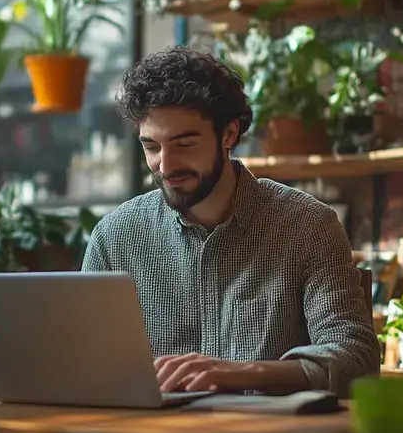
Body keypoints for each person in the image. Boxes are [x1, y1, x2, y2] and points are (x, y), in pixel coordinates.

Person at [82, 46, 381, 396]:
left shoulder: (306, 225)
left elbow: (357, 360)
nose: (165, 166)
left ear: (229, 134)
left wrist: (244, 373)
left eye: (184, 144)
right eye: (152, 147)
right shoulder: (116, 237)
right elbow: (83, 361)